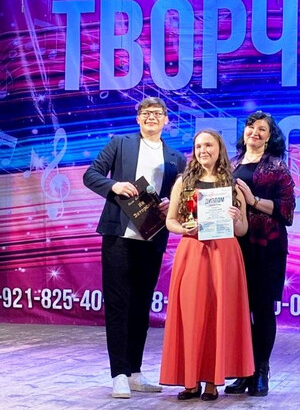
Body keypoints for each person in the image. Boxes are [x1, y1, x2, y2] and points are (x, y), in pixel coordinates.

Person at [83, 97, 186, 399]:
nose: (151, 117)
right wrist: (113, 186)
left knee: (141, 305)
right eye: (146, 113)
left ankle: (135, 372)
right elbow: (91, 175)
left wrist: (170, 204)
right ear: (138, 118)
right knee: (118, 304)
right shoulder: (120, 144)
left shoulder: (176, 158)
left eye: (157, 113)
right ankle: (118, 374)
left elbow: (180, 197)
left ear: (166, 120)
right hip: (119, 235)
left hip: (152, 237)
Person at [159, 129, 254, 401]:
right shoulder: (183, 182)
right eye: (199, 146)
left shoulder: (232, 184)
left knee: (218, 315)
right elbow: (171, 221)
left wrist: (237, 218)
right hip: (193, 252)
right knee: (192, 314)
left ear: (219, 148)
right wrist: (185, 228)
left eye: (209, 145)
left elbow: (243, 230)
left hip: (224, 255)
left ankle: (213, 381)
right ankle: (191, 381)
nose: (203, 150)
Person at [225, 111, 295, 397]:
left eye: (262, 129)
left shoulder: (278, 167)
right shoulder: (230, 165)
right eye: (250, 127)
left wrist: (253, 200)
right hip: (234, 246)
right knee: (239, 310)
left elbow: (287, 211)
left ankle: (261, 371)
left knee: (262, 309)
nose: (254, 132)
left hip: (267, 247)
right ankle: (243, 370)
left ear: (269, 136)